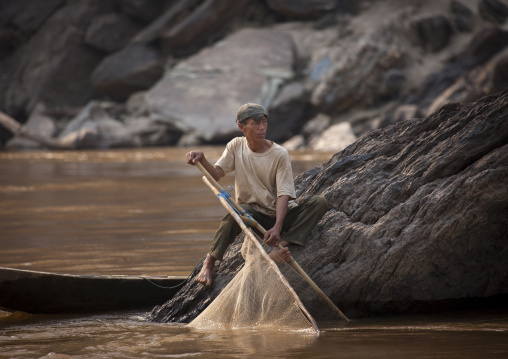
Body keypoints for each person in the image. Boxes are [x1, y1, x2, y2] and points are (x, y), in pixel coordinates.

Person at [186, 103, 328, 286]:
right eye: (255, 123)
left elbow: (284, 194)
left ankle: (281, 247)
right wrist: (202, 158)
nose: (262, 128)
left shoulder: (280, 154)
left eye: (264, 122)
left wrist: (277, 227)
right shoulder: (236, 146)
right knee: (234, 213)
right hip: (252, 215)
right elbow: (216, 174)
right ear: (241, 127)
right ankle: (209, 262)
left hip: (279, 215)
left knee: (319, 202)